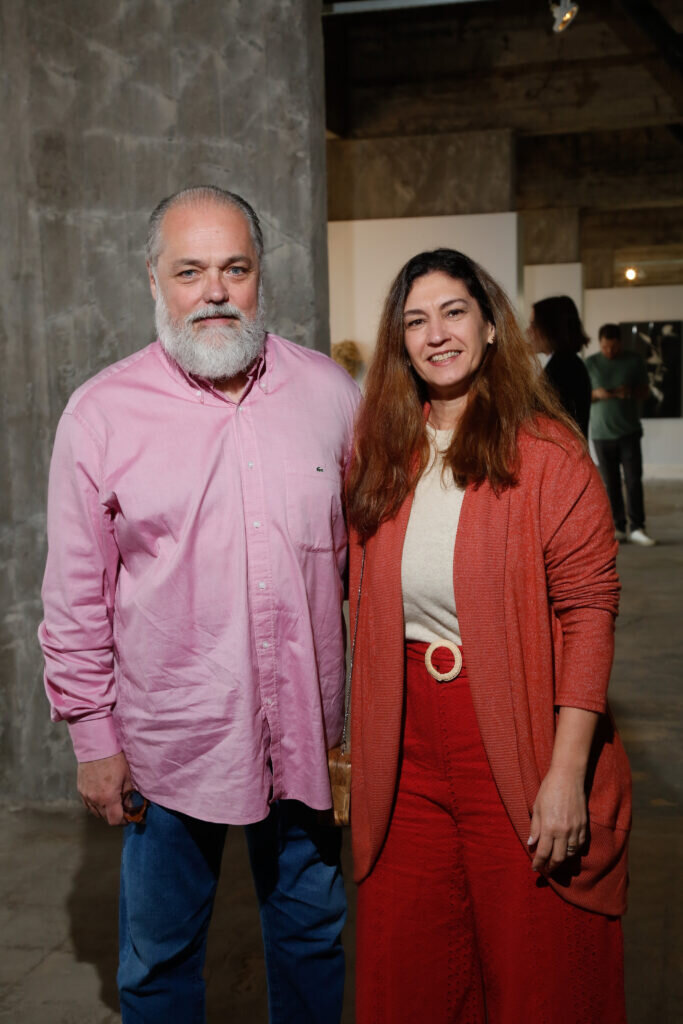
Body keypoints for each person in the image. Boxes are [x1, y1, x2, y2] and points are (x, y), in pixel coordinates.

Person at [38, 185, 360, 1023]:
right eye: (189, 271)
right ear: (154, 280)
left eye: (234, 269)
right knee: (158, 962)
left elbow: (367, 562)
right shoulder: (100, 415)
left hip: (307, 736)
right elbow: (75, 597)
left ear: (260, 278)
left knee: (313, 938)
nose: (214, 292)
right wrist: (94, 739)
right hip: (170, 745)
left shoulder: (331, 394)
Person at [345, 249, 631, 1023]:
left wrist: (565, 773)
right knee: (411, 973)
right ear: (399, 342)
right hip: (403, 749)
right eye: (415, 321)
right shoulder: (382, 455)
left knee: (535, 971)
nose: (436, 334)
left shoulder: (547, 454)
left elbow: (588, 612)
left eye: (453, 312)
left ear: (490, 325)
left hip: (515, 734)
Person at [586, 323, 655, 545]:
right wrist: (596, 394)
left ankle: (637, 527)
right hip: (601, 433)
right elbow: (580, 395)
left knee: (633, 481)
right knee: (611, 483)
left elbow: (645, 392)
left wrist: (630, 391)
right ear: (600, 343)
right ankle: (618, 526)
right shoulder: (590, 363)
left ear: (621, 343)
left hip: (629, 432)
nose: (609, 351)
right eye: (605, 347)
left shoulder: (634, 361)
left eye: (614, 347)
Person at [528, 295, 592, 437]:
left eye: (534, 325)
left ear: (550, 328)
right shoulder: (567, 364)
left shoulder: (564, 368)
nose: (529, 331)